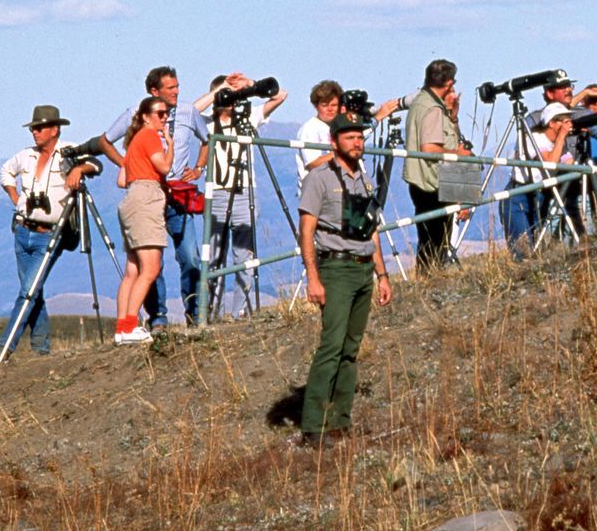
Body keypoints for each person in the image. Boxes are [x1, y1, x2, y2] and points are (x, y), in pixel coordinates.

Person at [294, 115, 393, 445]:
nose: (357, 142)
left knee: (351, 349)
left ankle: (340, 420)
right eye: (349, 137)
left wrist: (382, 274)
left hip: (364, 267)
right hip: (335, 269)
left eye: (359, 137)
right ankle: (314, 424)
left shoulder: (364, 180)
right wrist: (313, 277)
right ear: (334, 142)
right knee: (331, 346)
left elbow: (372, 230)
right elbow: (307, 230)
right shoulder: (319, 179)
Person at [102, 67, 206, 328]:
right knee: (150, 265)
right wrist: (128, 164)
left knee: (189, 257)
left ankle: (194, 312)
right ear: (154, 92)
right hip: (150, 194)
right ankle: (155, 318)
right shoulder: (141, 121)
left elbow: (207, 140)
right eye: (170, 88)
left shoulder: (188, 112)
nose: (176, 92)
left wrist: (198, 168)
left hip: (176, 193)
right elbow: (105, 141)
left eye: (177, 86)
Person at [0, 105, 98, 356]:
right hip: (22, 229)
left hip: (49, 234)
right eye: (33, 128)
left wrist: (77, 169)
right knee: (32, 291)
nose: (35, 132)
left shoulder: (68, 152)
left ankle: (4, 347)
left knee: (29, 291)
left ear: (54, 129)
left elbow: (95, 164)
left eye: (40, 127)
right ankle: (41, 348)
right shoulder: (26, 156)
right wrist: (17, 199)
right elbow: (5, 172)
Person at [196, 72, 289, 314]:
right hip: (216, 192)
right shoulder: (205, 123)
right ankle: (209, 311)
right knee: (214, 256)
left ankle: (241, 311)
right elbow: (188, 113)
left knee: (244, 258)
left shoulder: (247, 117)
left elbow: (280, 95)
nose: (232, 101)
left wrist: (250, 86)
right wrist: (219, 90)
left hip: (244, 192)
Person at [112, 96, 172, 344]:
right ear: (147, 116)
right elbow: (164, 168)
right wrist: (170, 144)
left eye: (167, 113)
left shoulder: (134, 142)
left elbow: (121, 180)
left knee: (132, 271)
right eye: (160, 113)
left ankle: (121, 327)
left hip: (131, 199)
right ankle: (129, 327)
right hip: (146, 197)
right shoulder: (149, 137)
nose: (165, 118)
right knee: (151, 267)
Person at [401, 58, 469, 271]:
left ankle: (429, 276)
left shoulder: (421, 102)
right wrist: (457, 154)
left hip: (423, 180)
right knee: (435, 240)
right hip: (431, 182)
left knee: (431, 239)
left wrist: (453, 117)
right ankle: (430, 278)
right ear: (448, 83)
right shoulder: (432, 109)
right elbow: (429, 149)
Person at [503, 106, 573, 254]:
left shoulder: (560, 143)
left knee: (536, 244)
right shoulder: (534, 138)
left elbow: (570, 164)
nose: (569, 124)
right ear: (551, 123)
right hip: (519, 194)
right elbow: (548, 164)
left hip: (539, 195)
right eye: (564, 121)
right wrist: (561, 137)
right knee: (522, 246)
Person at [295, 80, 401, 180]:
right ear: (316, 106)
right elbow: (313, 164)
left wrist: (378, 118)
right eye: (325, 105)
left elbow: (359, 135)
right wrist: (344, 151)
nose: (330, 109)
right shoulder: (310, 128)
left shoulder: (338, 127)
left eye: (334, 105)